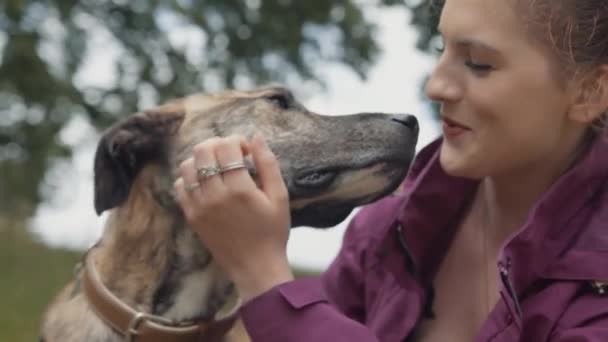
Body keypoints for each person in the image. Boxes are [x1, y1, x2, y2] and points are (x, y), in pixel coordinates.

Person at [174, 0, 608, 340]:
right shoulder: (388, 230)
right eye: (443, 50)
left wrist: (263, 276)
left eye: (478, 63)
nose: (435, 85)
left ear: (590, 91)